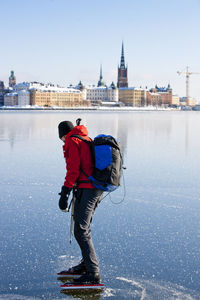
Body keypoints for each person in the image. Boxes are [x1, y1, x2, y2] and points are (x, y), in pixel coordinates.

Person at [58, 119, 103, 284]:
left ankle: (93, 274)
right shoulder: (85, 138)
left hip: (89, 188)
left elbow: (73, 169)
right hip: (93, 188)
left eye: (61, 139)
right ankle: (86, 264)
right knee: (83, 228)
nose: (62, 142)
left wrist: (64, 193)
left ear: (63, 135)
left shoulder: (72, 140)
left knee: (81, 230)